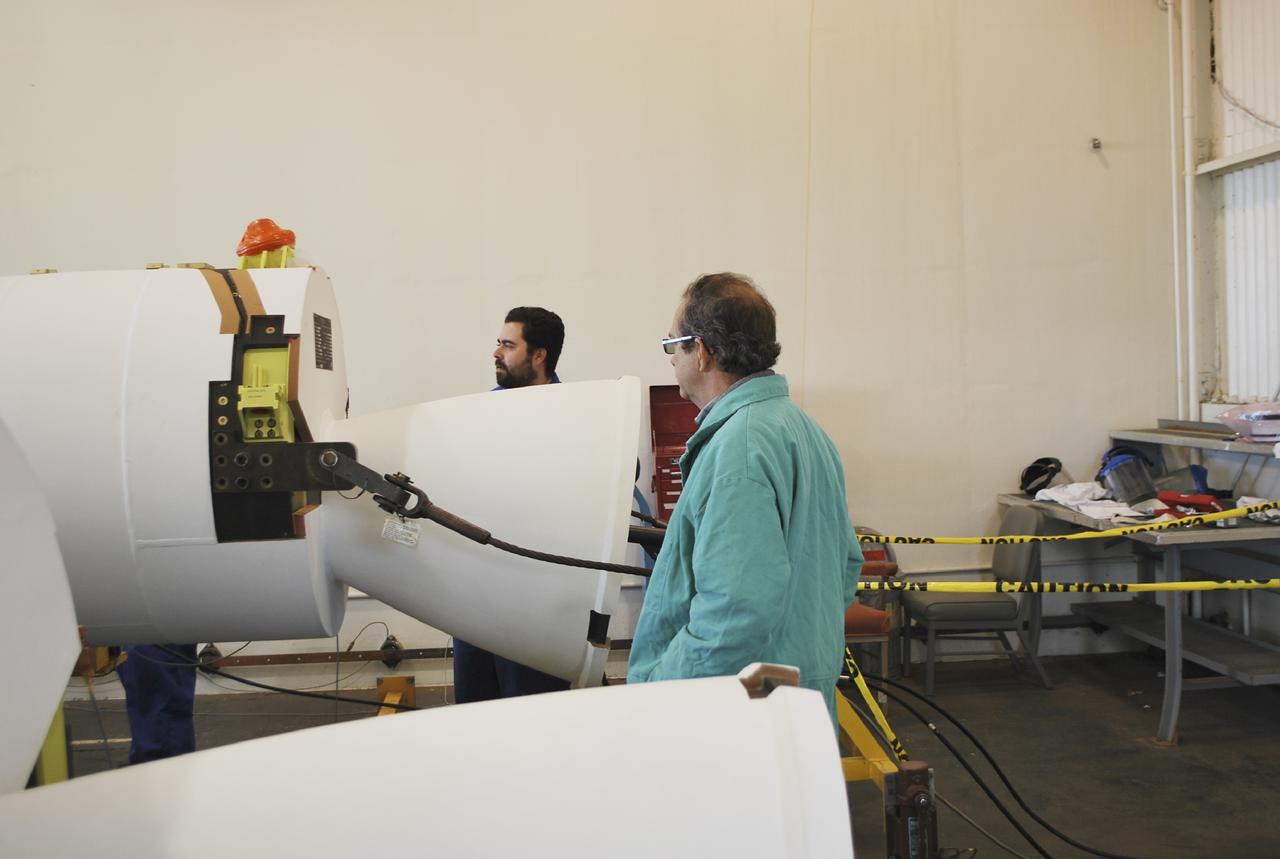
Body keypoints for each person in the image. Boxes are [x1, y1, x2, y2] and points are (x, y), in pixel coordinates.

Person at [627, 273, 863, 719]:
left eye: (673, 344)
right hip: (797, 694)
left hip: (744, 707)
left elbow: (735, 613)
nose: (670, 359)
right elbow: (846, 565)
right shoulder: (800, 428)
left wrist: (659, 688)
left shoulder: (741, 448)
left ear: (703, 351)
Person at [452, 306, 573, 703]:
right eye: (498, 343)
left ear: (539, 355)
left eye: (507, 344)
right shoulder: (484, 411)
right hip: (478, 592)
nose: (496, 353)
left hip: (538, 597)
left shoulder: (577, 413)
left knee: (534, 706)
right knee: (475, 703)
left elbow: (625, 466)